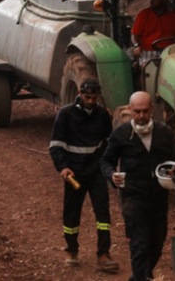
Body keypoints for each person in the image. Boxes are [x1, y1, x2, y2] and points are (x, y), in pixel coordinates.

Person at [100, 91, 175, 281]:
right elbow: (106, 161)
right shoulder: (121, 134)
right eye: (137, 112)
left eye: (145, 111)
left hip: (159, 198)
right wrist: (112, 175)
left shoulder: (164, 133)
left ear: (152, 109)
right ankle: (142, 276)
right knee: (139, 244)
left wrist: (174, 173)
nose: (141, 116)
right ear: (130, 110)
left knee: (157, 244)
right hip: (133, 198)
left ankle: (140, 276)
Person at [49, 79, 119, 273]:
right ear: (80, 94)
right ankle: (72, 250)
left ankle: (103, 254)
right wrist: (63, 167)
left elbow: (108, 143)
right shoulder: (65, 115)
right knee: (71, 212)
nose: (90, 101)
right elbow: (55, 145)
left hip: (95, 171)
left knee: (103, 213)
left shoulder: (102, 115)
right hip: (74, 172)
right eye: (87, 97)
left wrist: (106, 166)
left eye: (94, 98)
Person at [131, 0, 175, 66]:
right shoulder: (143, 15)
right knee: (147, 68)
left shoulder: (174, 17)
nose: (151, 1)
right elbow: (134, 35)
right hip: (149, 51)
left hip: (169, 51)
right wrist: (136, 46)